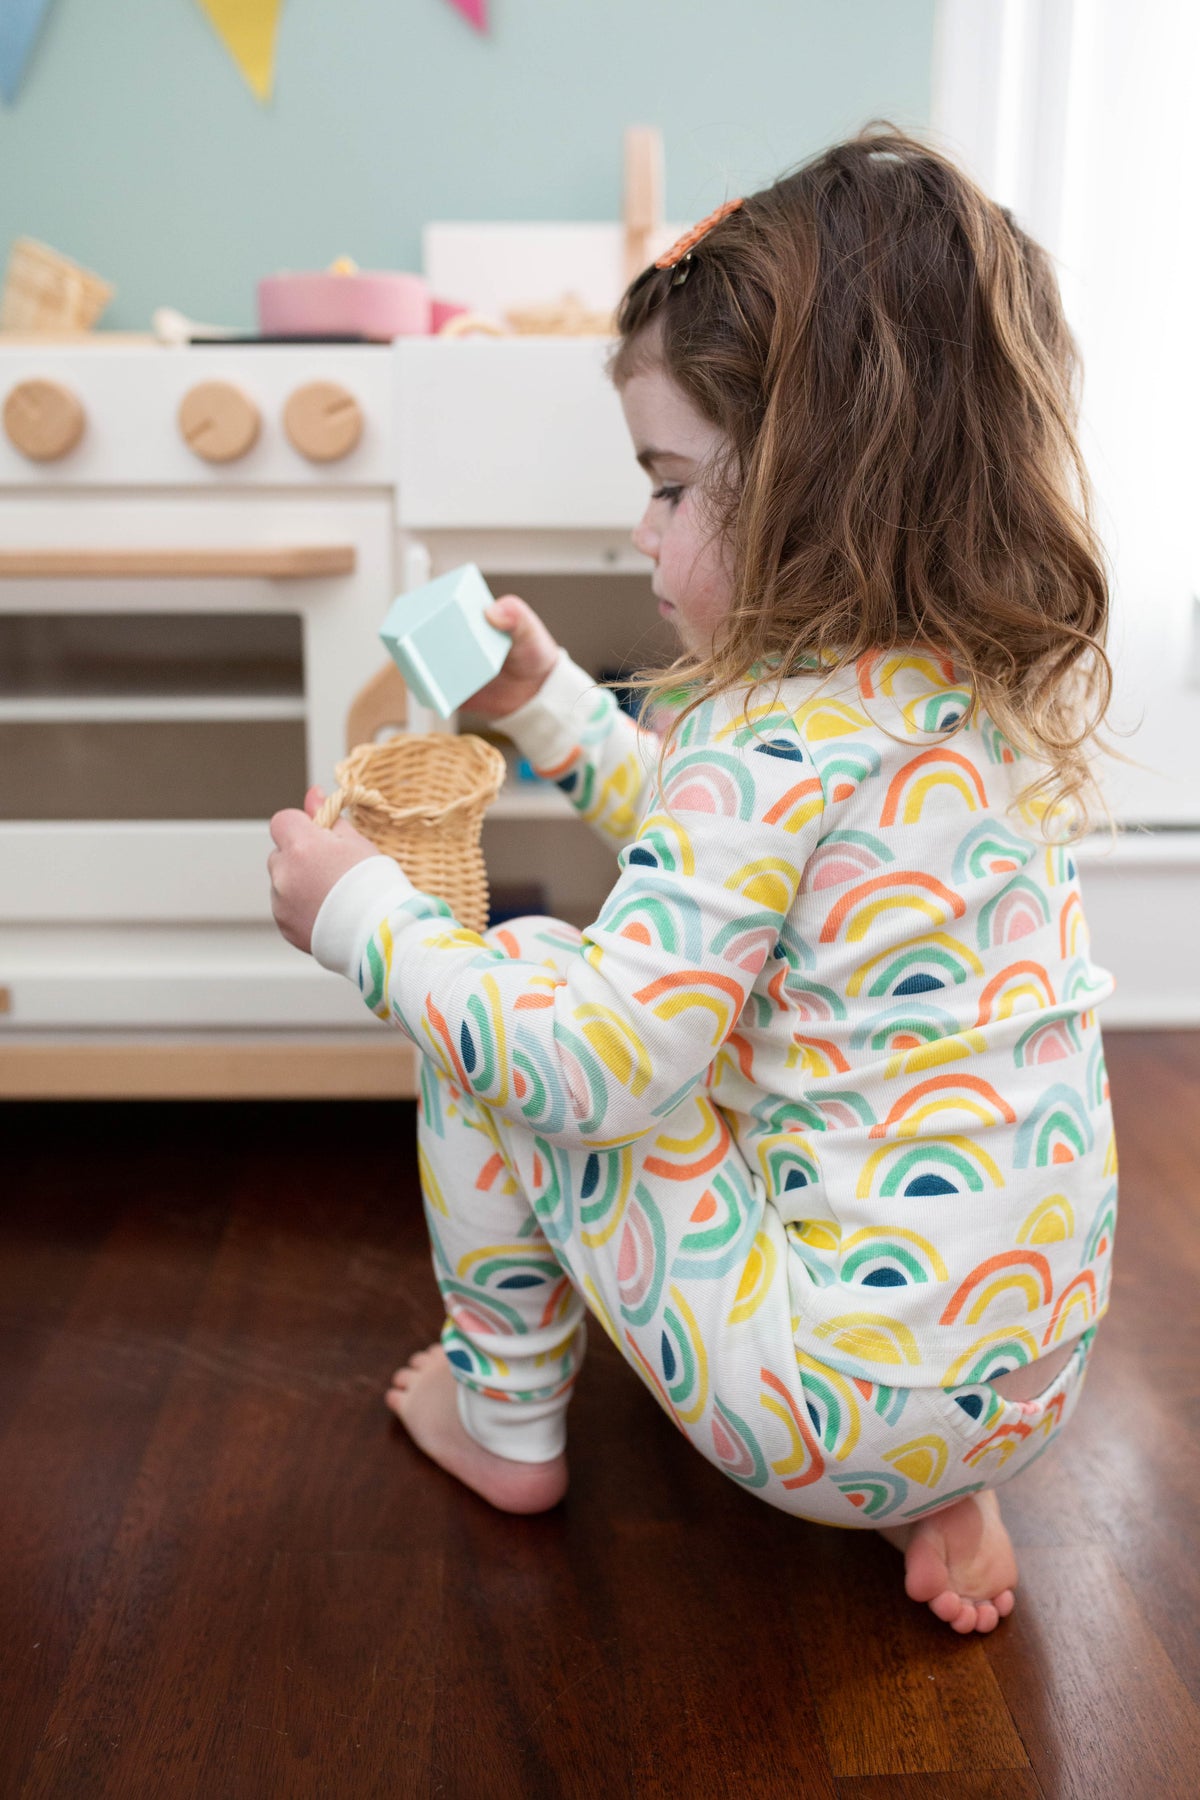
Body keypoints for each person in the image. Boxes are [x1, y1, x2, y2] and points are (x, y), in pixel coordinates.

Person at [268, 124, 1118, 1635]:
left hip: (823, 1415)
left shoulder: (764, 744)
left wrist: (369, 919)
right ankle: (941, 1475)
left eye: (670, 483)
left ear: (812, 482)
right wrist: (549, 712)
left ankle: (506, 1417)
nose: (644, 524)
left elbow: (592, 1068)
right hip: (1024, 1375)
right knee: (763, 1060)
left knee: (516, 981)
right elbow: (731, 868)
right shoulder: (965, 708)